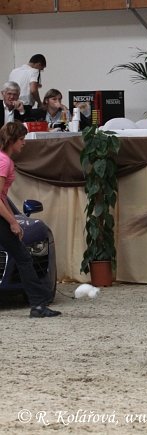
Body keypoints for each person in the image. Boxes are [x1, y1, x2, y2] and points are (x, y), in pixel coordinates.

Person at [0, 121, 61, 318]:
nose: (23, 143)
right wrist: (12, 222)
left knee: (23, 258)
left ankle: (38, 302)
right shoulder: (4, 162)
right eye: (21, 139)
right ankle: (38, 304)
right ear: (11, 141)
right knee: (24, 258)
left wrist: (13, 217)